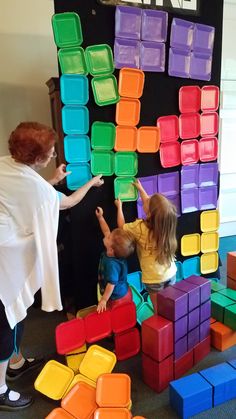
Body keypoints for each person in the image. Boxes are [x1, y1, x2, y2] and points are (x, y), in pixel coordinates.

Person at [0, 122, 104, 411]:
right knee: (5, 324)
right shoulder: (38, 191)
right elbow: (67, 202)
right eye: (50, 152)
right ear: (37, 158)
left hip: (6, 255)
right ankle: (1, 390)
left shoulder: (5, 165)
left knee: (16, 315)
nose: (55, 154)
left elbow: (27, 193)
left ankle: (16, 363)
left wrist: (51, 181)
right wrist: (91, 183)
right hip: (5, 264)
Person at [115, 179, 177, 313]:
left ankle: (161, 329)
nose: (146, 199)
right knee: (170, 305)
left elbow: (121, 227)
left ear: (149, 213)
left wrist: (119, 207)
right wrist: (141, 189)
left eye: (148, 201)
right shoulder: (166, 225)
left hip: (153, 278)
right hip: (170, 273)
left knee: (158, 310)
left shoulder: (140, 228)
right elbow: (153, 207)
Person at [95, 207, 135, 313]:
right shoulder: (114, 251)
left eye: (109, 238)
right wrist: (100, 217)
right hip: (123, 291)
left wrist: (104, 300)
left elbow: (111, 284)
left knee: (117, 316)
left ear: (111, 250)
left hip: (118, 298)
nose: (108, 235)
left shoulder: (112, 264)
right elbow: (106, 231)